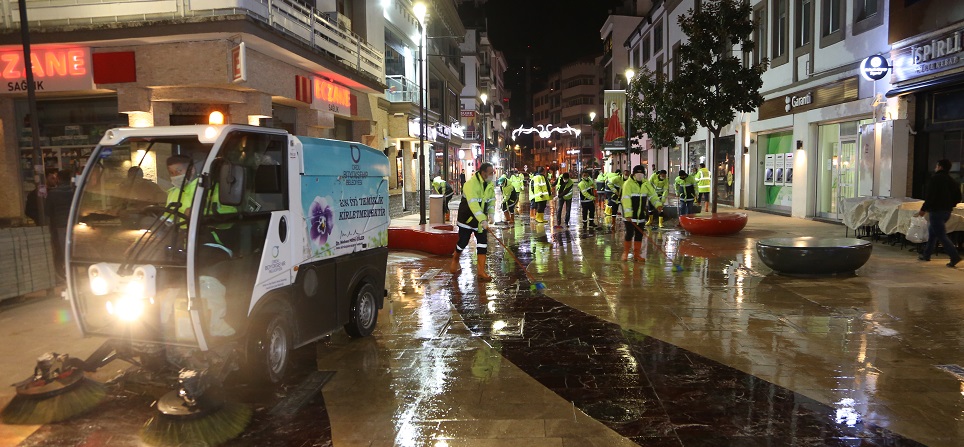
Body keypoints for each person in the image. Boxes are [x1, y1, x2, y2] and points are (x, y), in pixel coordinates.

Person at [451, 163, 496, 280]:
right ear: (483, 173)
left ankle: (481, 272)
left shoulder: (489, 184)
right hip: (467, 219)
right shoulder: (470, 185)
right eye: (491, 172)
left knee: (482, 243)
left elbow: (491, 200)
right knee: (463, 242)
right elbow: (473, 205)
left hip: (480, 220)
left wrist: (491, 214)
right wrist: (482, 220)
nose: (492, 175)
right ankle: (455, 258)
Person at [917, 159, 962, 267]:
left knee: (941, 235)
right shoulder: (952, 181)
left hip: (936, 211)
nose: (935, 168)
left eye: (936, 166)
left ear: (940, 167)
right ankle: (926, 254)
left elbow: (930, 196)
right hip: (947, 211)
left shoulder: (935, 179)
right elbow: (958, 197)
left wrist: (923, 209)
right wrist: (950, 204)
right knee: (932, 233)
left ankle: (954, 257)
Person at [621, 165, 663, 261]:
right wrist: (628, 214)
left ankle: (636, 254)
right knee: (629, 233)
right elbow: (626, 199)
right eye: (638, 173)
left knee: (639, 234)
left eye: (641, 173)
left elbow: (653, 195)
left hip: (641, 215)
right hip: (630, 215)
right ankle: (626, 253)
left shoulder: (646, 184)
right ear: (633, 174)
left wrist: (658, 205)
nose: (640, 175)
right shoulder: (628, 184)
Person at [45, 169, 75, 278]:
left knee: (64, 250)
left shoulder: (53, 193)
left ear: (58, 179)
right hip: (74, 224)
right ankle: (74, 272)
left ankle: (67, 274)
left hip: (61, 225)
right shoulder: (74, 192)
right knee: (74, 249)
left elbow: (47, 211)